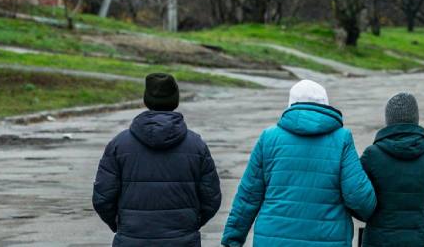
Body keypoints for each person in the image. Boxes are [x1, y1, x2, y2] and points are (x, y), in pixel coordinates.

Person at [220, 79, 376, 247]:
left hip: (273, 239)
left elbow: (248, 197)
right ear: (326, 104)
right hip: (327, 239)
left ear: (291, 104)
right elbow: (360, 200)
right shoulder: (342, 138)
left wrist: (232, 240)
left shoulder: (269, 138)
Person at [93, 72, 222, 246]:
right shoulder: (196, 145)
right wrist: (191, 224)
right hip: (182, 240)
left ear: (146, 99)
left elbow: (103, 197)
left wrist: (121, 225)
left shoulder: (119, 144)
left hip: (132, 239)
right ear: (175, 100)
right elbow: (211, 198)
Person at [359, 93, 424, 246]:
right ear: (416, 119)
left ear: (388, 120)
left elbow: (359, 202)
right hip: (421, 240)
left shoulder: (372, 155)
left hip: (379, 240)